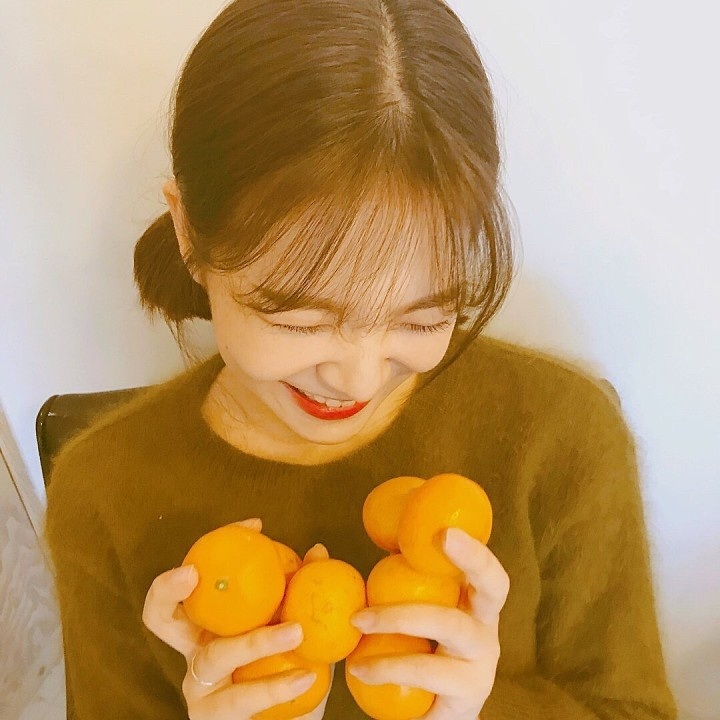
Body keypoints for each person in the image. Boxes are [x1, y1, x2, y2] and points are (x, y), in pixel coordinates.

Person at [43, 1, 678, 719]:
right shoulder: (104, 494)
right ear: (189, 232)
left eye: (422, 317)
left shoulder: (559, 438)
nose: (359, 379)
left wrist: (479, 711)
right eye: (301, 320)